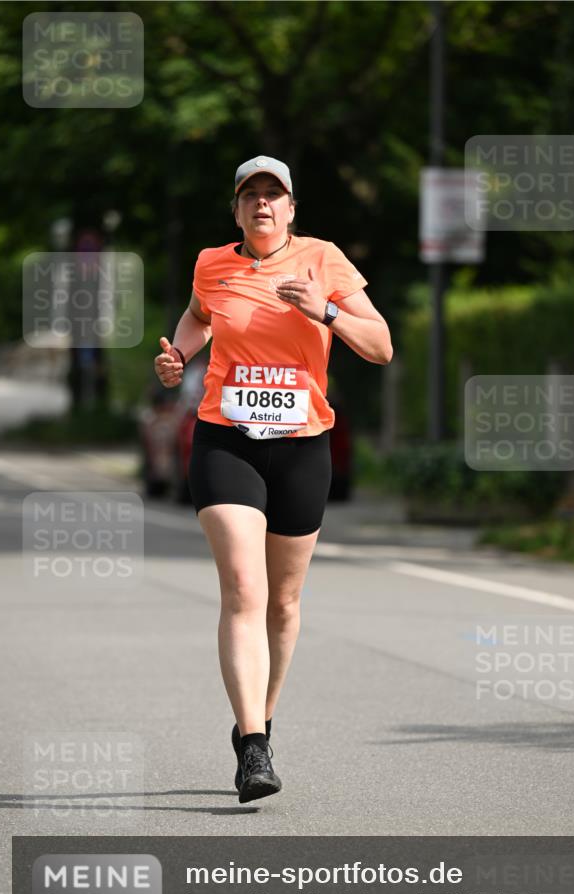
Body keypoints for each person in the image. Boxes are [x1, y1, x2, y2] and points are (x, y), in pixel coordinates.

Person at [154, 156, 392, 804]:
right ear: (236, 209)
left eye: (273, 195)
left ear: (290, 209)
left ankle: (257, 719)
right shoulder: (212, 263)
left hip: (301, 445)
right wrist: (181, 356)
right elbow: (199, 317)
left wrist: (326, 313)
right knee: (242, 588)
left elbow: (380, 345)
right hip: (225, 438)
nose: (262, 204)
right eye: (250, 195)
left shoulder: (324, 260)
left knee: (284, 604)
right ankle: (253, 748)